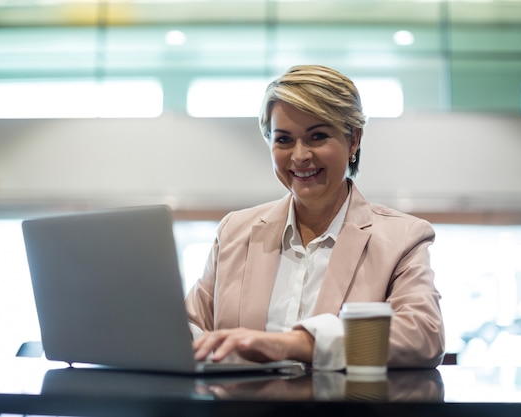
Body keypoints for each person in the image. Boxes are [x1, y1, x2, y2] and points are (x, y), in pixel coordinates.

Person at [185, 64, 444, 370]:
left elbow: (423, 335)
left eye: (317, 136)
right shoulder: (234, 232)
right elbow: (188, 326)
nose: (299, 156)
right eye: (283, 140)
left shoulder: (402, 238)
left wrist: (301, 343)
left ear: (353, 140)